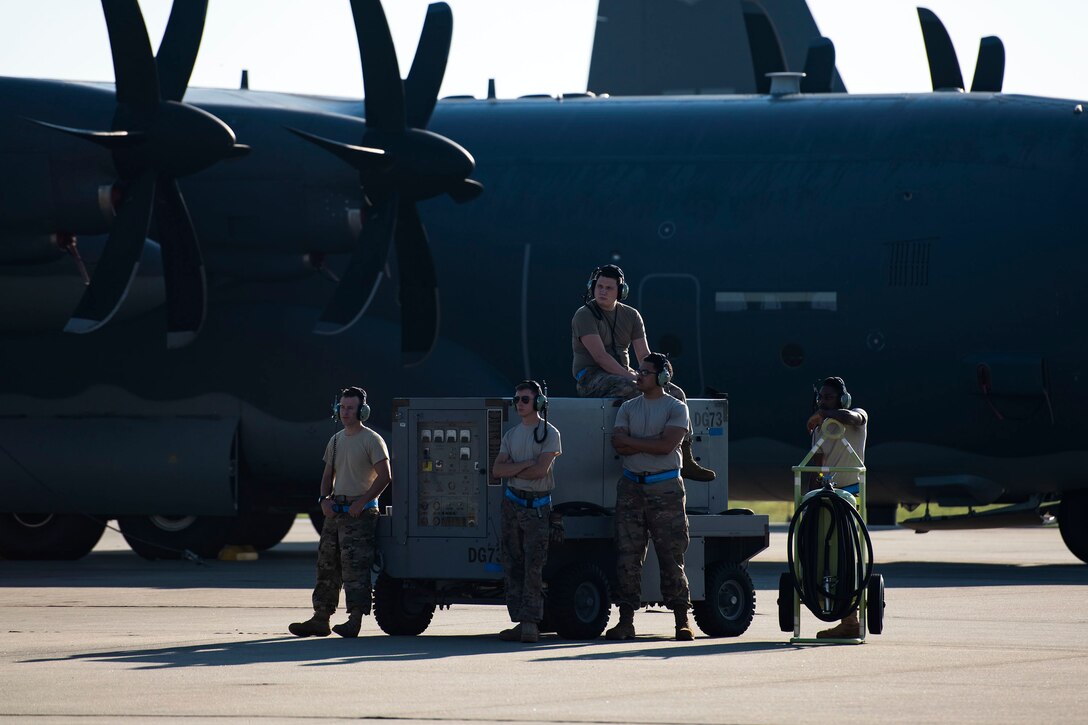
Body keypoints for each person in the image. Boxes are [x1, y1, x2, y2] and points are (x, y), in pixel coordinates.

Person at [571, 264, 714, 481]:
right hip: (592, 378)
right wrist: (634, 377)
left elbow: (644, 355)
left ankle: (685, 455)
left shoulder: (632, 316)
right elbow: (601, 357)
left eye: (609, 288)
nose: (602, 291)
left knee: (676, 394)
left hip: (625, 374)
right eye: (599, 286)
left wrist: (658, 375)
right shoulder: (584, 315)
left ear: (621, 291)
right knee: (632, 389)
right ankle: (635, 448)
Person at [605, 353, 695, 641]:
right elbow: (619, 444)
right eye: (639, 371)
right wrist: (649, 444)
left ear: (663, 377)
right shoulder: (628, 407)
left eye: (645, 372)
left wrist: (637, 444)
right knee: (628, 557)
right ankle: (626, 621)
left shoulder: (676, 408)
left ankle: (682, 619)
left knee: (671, 556)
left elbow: (668, 446)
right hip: (631, 488)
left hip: (665, 489)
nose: (638, 376)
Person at [289, 386, 391, 638]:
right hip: (336, 512)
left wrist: (365, 501)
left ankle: (354, 619)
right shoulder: (336, 440)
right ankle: (321, 617)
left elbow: (385, 476)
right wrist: (324, 500)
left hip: (360, 513)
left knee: (355, 568)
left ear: (362, 411)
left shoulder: (372, 440)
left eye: (350, 408)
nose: (344, 412)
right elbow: (327, 475)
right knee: (327, 565)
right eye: (341, 407)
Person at [492, 380, 562, 644]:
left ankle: (531, 623)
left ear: (539, 403)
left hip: (537, 507)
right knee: (512, 564)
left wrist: (516, 468)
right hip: (512, 504)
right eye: (517, 399)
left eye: (525, 399)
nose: (519, 404)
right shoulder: (511, 435)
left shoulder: (550, 433)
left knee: (534, 566)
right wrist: (526, 464)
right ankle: (519, 621)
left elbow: (540, 471)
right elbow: (498, 470)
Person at [806, 375, 868, 639]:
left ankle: (850, 618)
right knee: (821, 555)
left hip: (850, 496)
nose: (822, 402)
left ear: (843, 399)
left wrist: (823, 413)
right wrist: (806, 499)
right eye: (820, 397)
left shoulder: (856, 418)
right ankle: (830, 606)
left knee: (846, 556)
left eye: (828, 397)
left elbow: (853, 418)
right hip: (826, 495)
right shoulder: (821, 429)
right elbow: (816, 465)